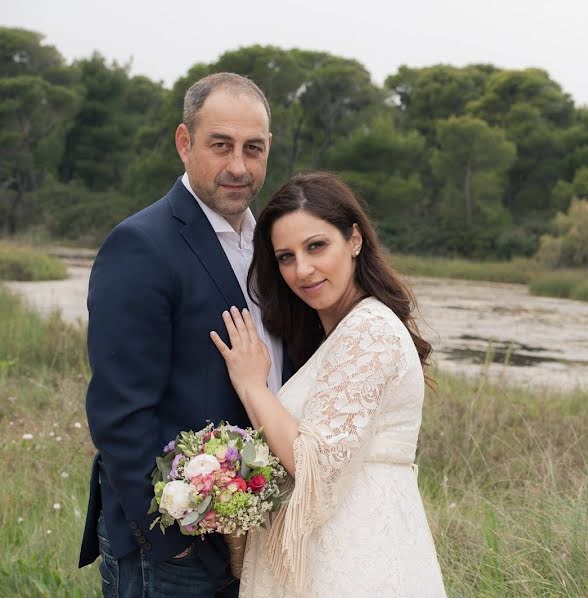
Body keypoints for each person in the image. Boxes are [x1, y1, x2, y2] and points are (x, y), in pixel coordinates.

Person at [79, 72, 293, 597]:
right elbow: (119, 412)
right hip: (175, 547)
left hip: (258, 535)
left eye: (254, 148)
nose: (239, 166)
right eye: (221, 145)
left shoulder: (273, 244)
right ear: (184, 143)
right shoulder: (141, 245)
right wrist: (170, 536)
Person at [210, 172, 447, 597]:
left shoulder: (370, 330)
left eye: (316, 246)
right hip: (335, 549)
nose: (302, 269)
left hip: (359, 556)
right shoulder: (338, 334)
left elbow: (314, 464)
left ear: (354, 240)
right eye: (285, 256)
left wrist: (252, 386)